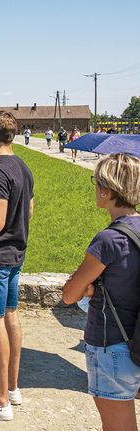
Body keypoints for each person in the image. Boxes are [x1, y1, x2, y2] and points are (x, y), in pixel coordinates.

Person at [62, 154, 140, 430]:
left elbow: (70, 294)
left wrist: (87, 289)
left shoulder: (109, 240)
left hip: (112, 345)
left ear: (107, 190)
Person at [0, 111, 34, 421]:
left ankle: (0, 401)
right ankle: (11, 388)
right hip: (15, 254)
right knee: (10, 315)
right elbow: (29, 210)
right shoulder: (23, 166)